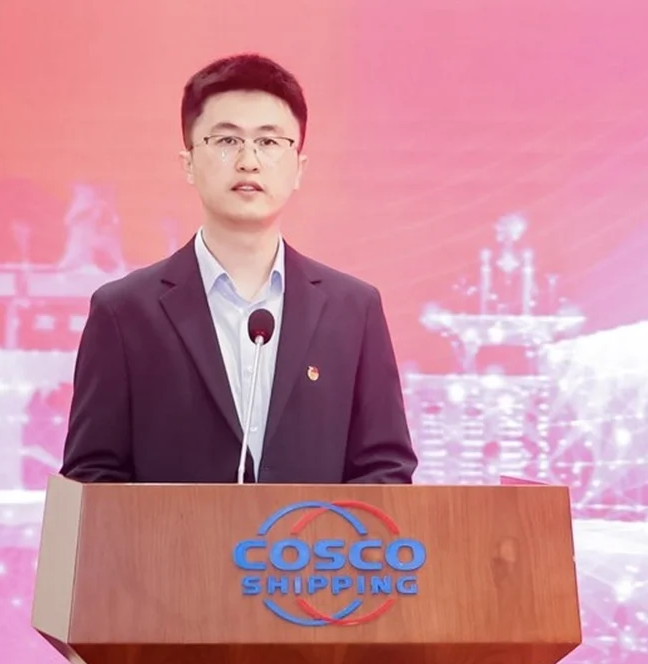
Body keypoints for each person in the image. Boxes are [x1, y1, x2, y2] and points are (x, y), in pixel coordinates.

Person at [60, 52, 417, 488]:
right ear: (188, 163)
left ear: (299, 168)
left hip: (313, 537)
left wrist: (310, 530)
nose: (249, 161)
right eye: (227, 140)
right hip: (174, 537)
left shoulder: (354, 310)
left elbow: (386, 470)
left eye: (269, 142)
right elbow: (91, 477)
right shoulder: (124, 312)